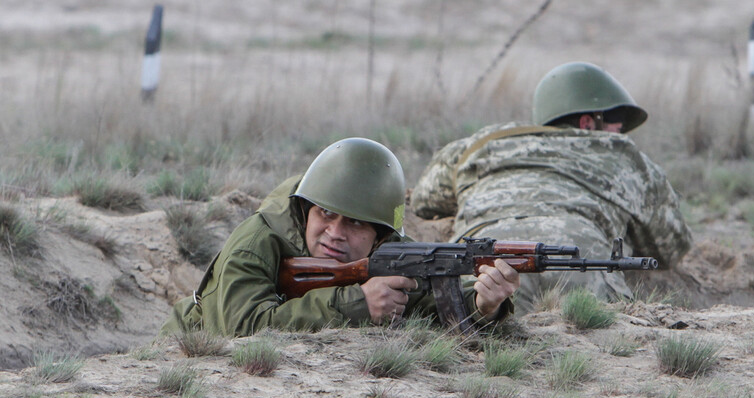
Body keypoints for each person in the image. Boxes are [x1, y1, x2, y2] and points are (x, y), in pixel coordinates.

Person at [161, 137, 520, 338]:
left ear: (380, 235)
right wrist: (358, 303)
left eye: (355, 224)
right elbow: (239, 329)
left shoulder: (396, 254)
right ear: (307, 208)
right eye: (326, 214)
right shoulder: (258, 242)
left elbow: (430, 307)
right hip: (183, 351)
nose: (335, 233)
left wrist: (483, 306)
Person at [411, 61, 691, 313]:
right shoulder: (623, 155)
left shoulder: (480, 143)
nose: (619, 137)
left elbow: (423, 201)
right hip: (579, 261)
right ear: (587, 122)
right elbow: (670, 246)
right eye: (617, 129)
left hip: (485, 266)